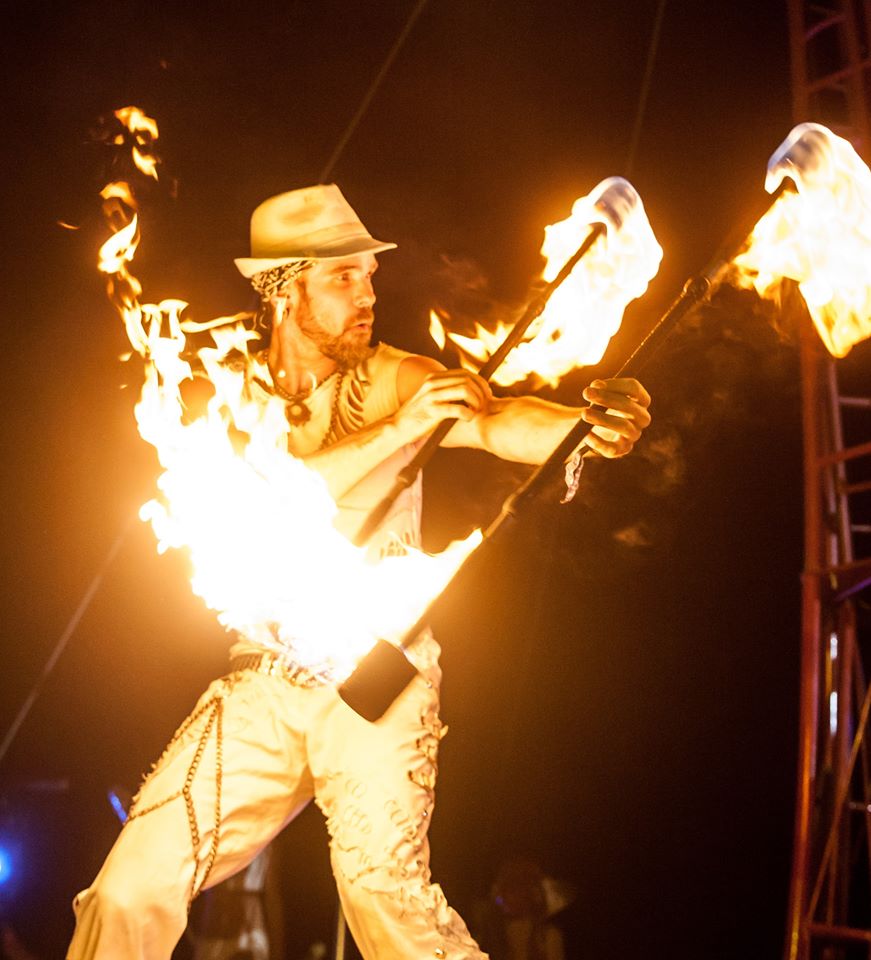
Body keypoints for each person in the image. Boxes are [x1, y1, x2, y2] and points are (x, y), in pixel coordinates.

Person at [67, 185, 652, 960]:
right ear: (284, 287)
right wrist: (401, 431)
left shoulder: (393, 376)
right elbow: (272, 502)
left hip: (377, 672)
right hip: (263, 682)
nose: (368, 293)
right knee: (126, 891)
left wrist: (584, 429)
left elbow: (493, 417)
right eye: (344, 277)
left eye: (368, 276)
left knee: (383, 898)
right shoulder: (222, 393)